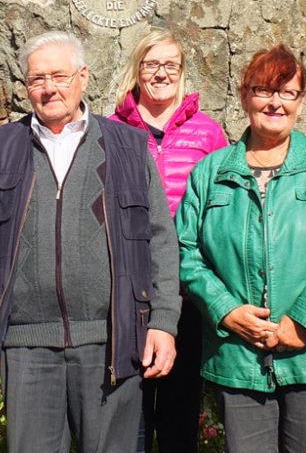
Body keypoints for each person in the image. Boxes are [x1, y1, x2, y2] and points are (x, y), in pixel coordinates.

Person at [0, 31, 181, 453]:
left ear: (83, 77)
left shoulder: (127, 145)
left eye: (59, 75)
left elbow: (161, 242)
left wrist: (163, 323)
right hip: (27, 345)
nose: (49, 88)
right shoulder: (0, 147)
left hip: (111, 339)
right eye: (37, 79)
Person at [176, 45, 306, 453]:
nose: (275, 103)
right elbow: (185, 251)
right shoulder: (210, 173)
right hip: (238, 356)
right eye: (264, 90)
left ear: (301, 101)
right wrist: (226, 311)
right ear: (245, 96)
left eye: (288, 92)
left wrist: (302, 321)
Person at [108, 29, 228, 453]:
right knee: (129, 416)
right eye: (151, 64)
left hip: (187, 294)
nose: (161, 74)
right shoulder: (110, 131)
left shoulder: (208, 133)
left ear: (182, 72)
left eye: (170, 65)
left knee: (180, 418)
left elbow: (223, 208)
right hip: (126, 292)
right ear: (137, 70)